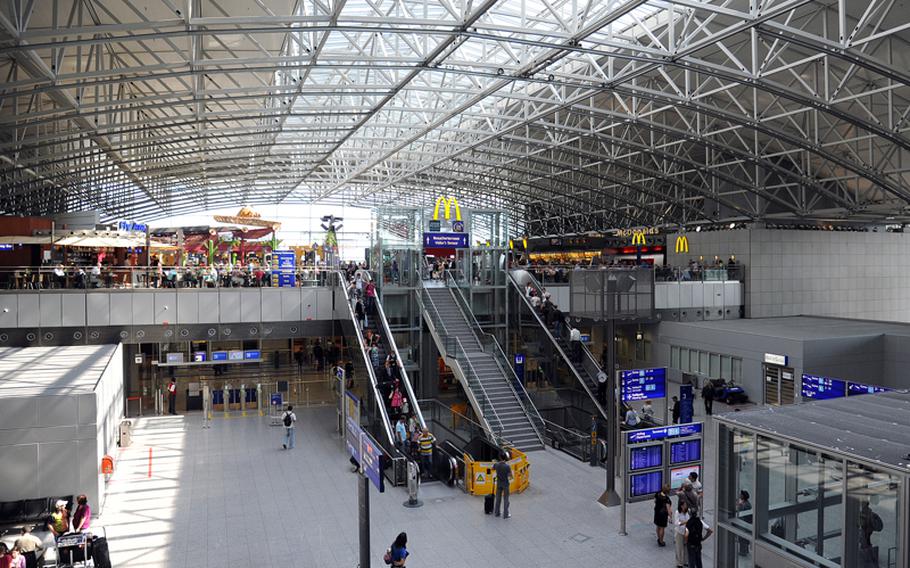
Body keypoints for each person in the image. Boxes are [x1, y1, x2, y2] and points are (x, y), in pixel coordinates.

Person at [493, 452, 513, 518]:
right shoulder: (507, 466)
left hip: (499, 483)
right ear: (505, 458)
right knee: (506, 499)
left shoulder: (496, 465)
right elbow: (510, 476)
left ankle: (497, 512)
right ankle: (505, 514)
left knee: (498, 498)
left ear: (500, 457)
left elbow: (493, 468)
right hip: (506, 484)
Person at [673, 501, 689, 568]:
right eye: (685, 505)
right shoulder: (677, 512)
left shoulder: (687, 512)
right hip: (679, 532)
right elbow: (676, 523)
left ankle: (685, 561)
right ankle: (679, 563)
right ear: (681, 506)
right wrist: (685, 522)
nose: (686, 506)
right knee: (679, 547)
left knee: (686, 547)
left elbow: (688, 520)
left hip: (686, 532)